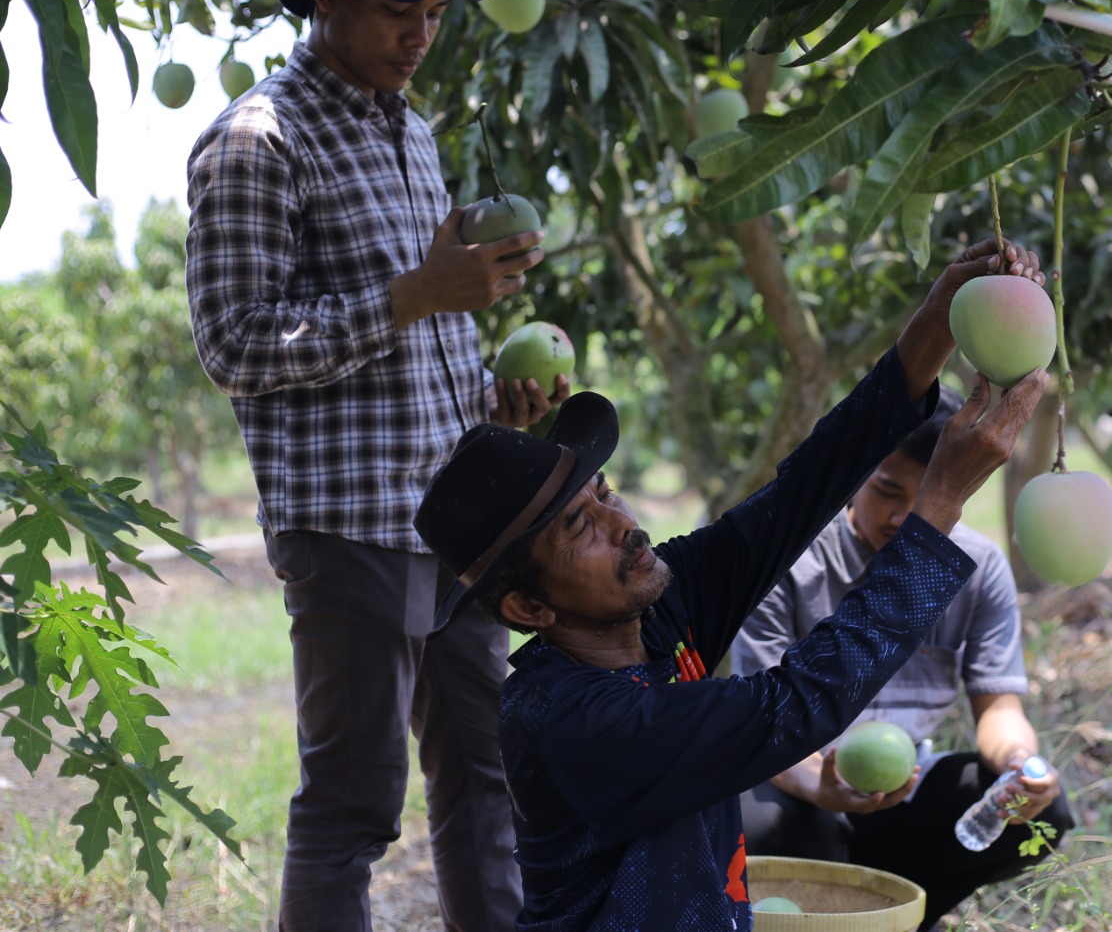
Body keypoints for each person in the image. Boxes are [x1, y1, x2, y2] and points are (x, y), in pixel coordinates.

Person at [412, 239, 1048, 930]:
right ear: (528, 606)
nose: (622, 524)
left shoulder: (648, 617)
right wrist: (940, 501)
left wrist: (933, 326)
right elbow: (799, 701)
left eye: (605, 493)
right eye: (578, 528)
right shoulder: (573, 719)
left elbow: (799, 495)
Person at [185, 0, 564, 930]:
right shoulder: (256, 141)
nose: (420, 34)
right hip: (349, 525)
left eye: (436, 14)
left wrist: (497, 403)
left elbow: (418, 343)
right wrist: (415, 295)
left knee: (485, 780)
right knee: (353, 804)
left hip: (453, 520)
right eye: (401, 9)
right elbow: (233, 344)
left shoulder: (414, 135)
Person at [732, 384, 1077, 929]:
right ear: (855, 478)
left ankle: (908, 919)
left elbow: (997, 707)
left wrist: (1019, 763)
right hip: (802, 783)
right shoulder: (791, 566)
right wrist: (821, 784)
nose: (904, 518)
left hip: (908, 786)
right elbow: (762, 725)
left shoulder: (979, 567)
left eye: (930, 496)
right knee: (765, 826)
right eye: (889, 492)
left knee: (1041, 818)